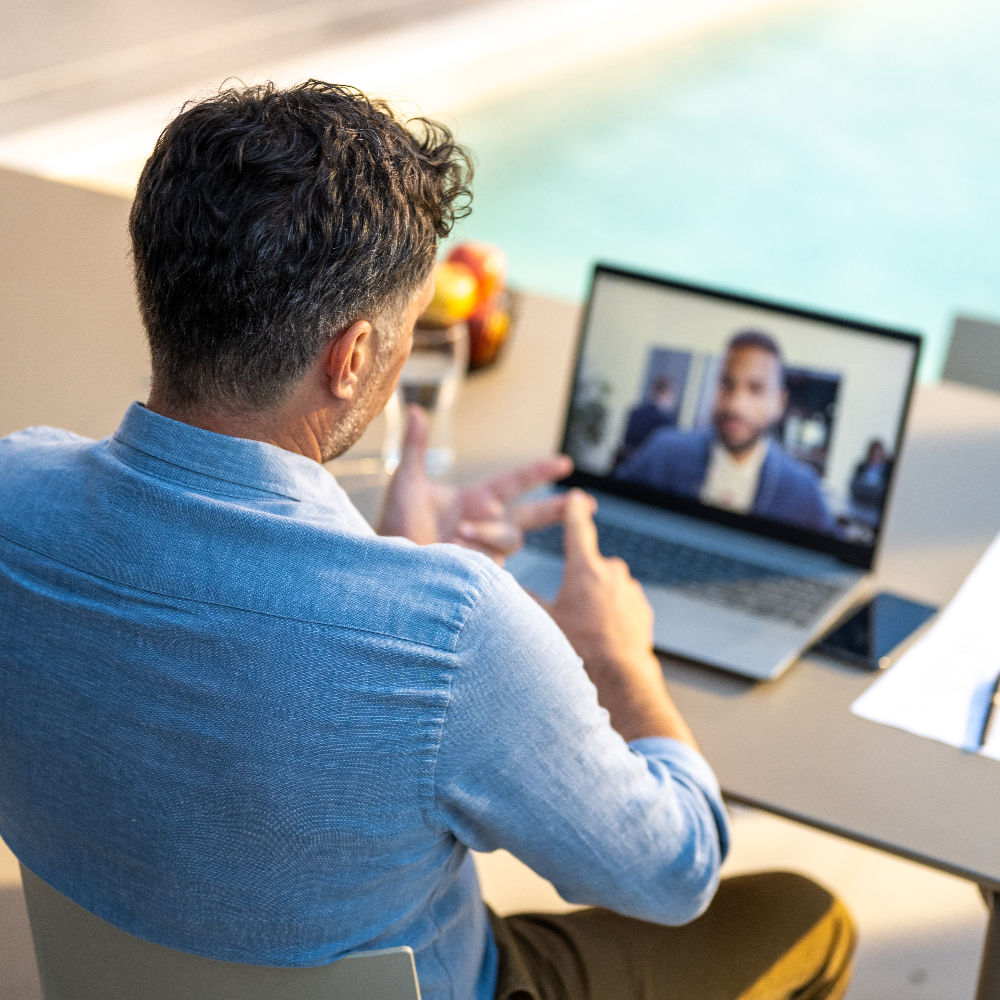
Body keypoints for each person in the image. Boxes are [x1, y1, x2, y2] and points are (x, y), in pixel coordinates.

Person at [0, 83, 854, 1000]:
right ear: (354, 356)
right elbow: (673, 872)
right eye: (410, 328)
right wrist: (621, 662)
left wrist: (390, 561)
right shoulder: (455, 639)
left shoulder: (12, 497)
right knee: (812, 918)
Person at [616, 331, 837, 534]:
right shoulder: (663, 451)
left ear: (779, 403)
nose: (735, 406)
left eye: (756, 390)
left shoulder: (804, 491)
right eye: (726, 384)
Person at [617, 375, 679, 464]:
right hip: (646, 466)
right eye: (673, 396)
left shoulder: (635, 412)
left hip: (625, 462)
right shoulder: (666, 422)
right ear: (666, 394)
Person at [849, 439, 892, 522]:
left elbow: (882, 493)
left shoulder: (888, 470)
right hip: (857, 508)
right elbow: (854, 486)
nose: (876, 454)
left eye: (878, 452)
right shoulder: (861, 467)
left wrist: (866, 490)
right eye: (874, 452)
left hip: (874, 513)